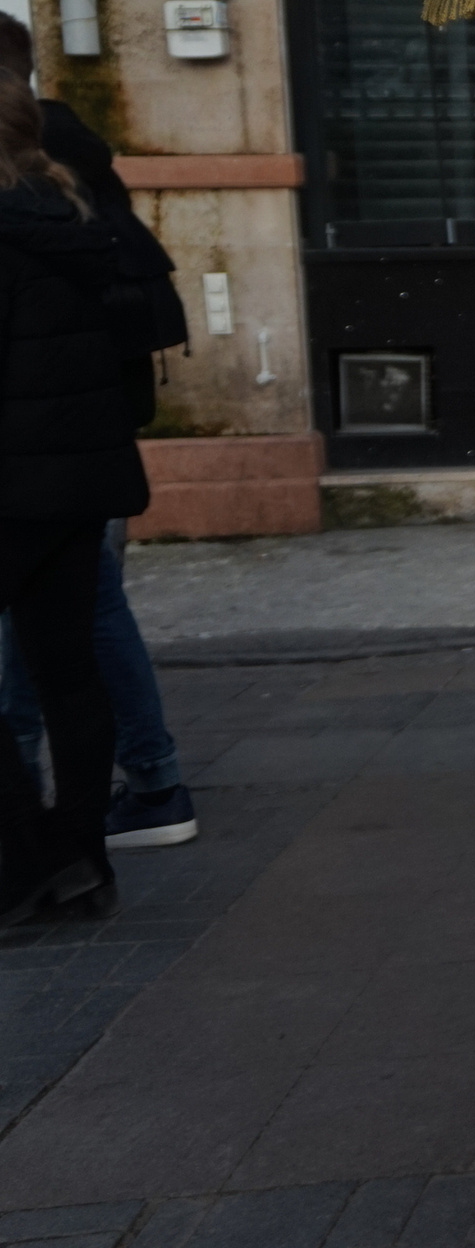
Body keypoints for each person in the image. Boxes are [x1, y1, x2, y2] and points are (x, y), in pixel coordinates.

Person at [0, 16, 196, 849]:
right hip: (86, 455)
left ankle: (81, 817)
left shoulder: (30, 200)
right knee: (65, 648)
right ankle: (79, 849)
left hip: (32, 461)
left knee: (76, 636)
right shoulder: (67, 193)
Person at [0, 73, 148, 925]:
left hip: (14, 486)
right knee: (68, 669)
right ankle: (83, 852)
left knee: (64, 666)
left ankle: (31, 850)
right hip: (81, 480)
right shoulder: (73, 223)